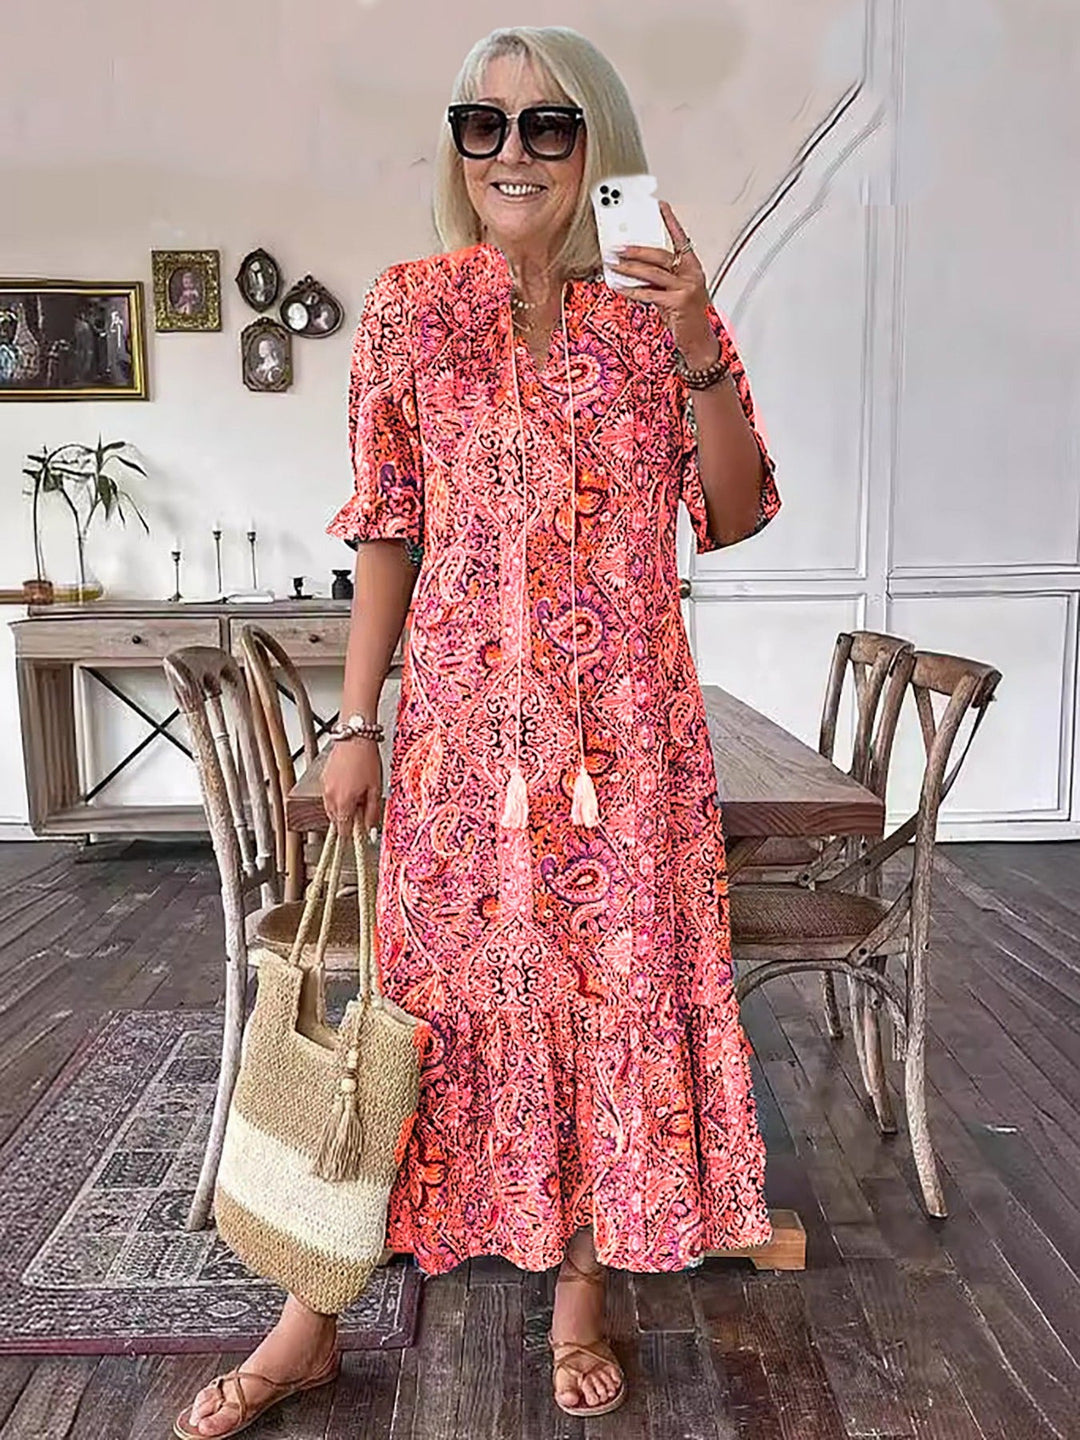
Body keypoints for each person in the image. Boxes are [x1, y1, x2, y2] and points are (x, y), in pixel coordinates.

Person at [177, 24, 779, 1438]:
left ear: (600, 146)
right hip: (458, 739)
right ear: (458, 148)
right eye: (485, 124)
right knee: (424, 1018)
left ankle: (581, 1292)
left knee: (603, 1002)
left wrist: (698, 340)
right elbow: (389, 527)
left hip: (627, 745)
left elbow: (738, 513)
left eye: (550, 126)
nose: (513, 153)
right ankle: (311, 1316)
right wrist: (355, 721)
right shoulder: (406, 310)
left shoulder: (658, 313)